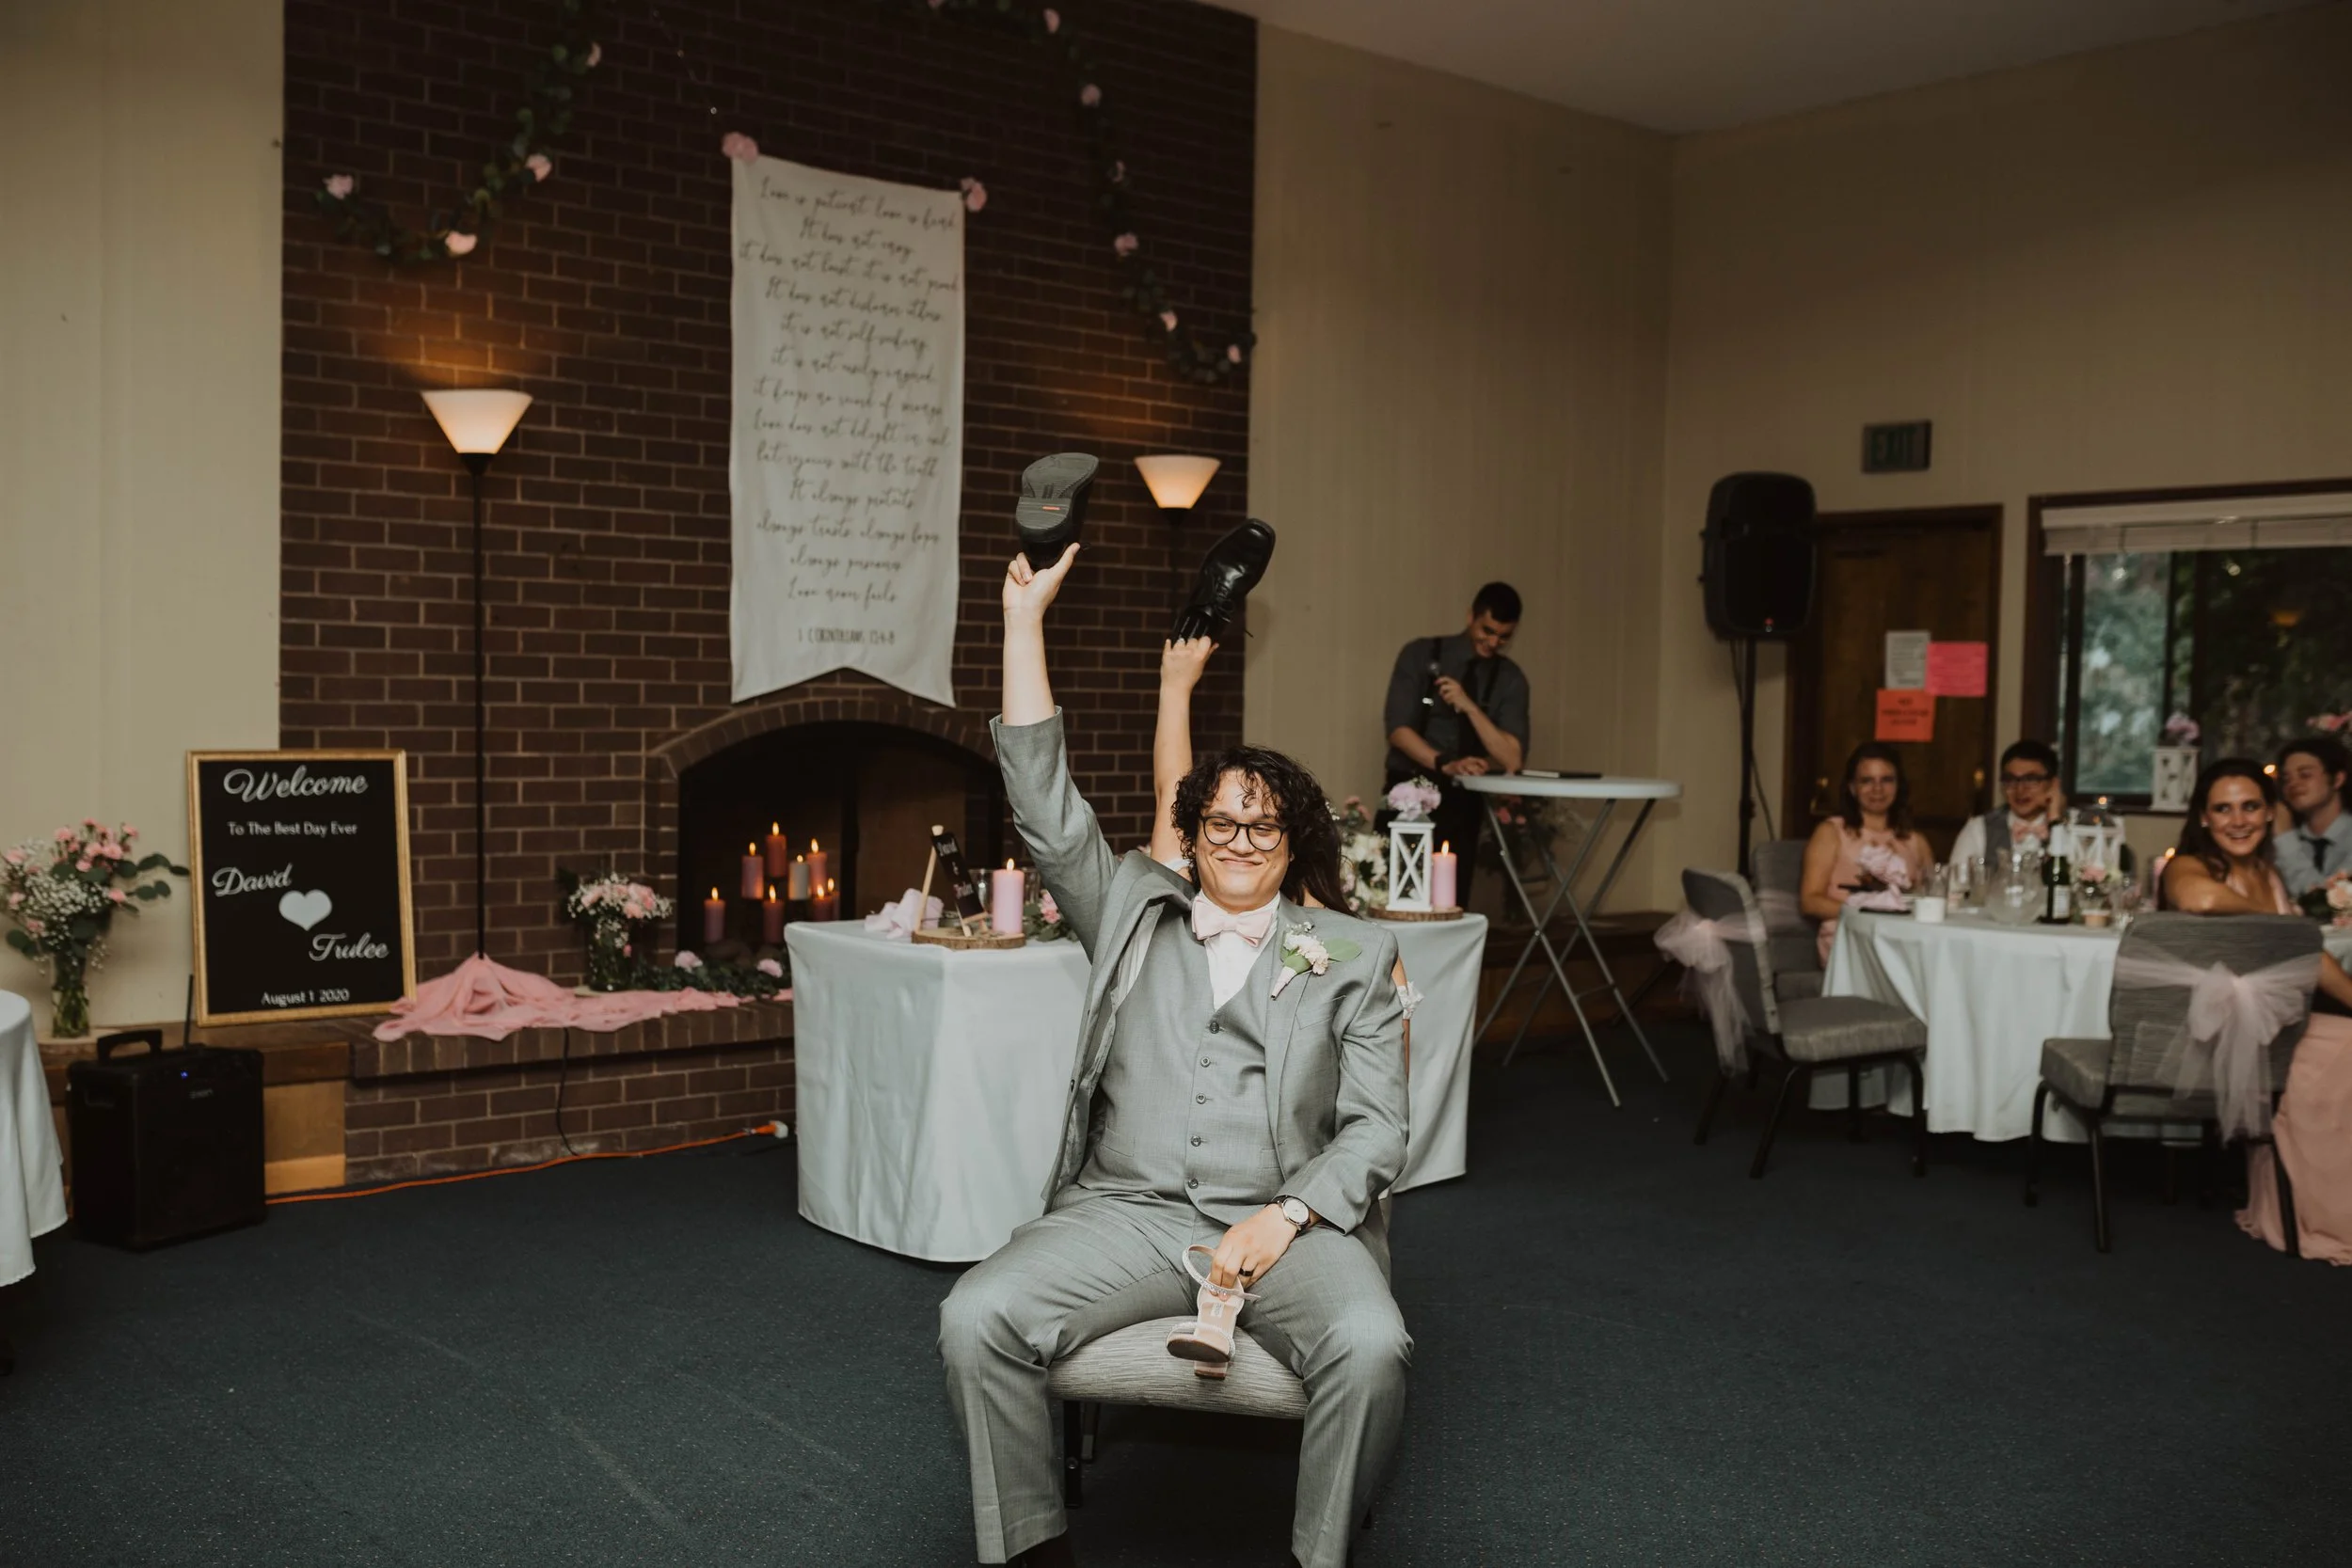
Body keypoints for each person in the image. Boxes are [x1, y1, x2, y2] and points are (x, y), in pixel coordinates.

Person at [940, 545, 1411, 1568]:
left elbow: (1379, 1126)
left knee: (1372, 1347)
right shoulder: (1126, 911)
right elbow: (1040, 796)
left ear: (1293, 842)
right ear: (1190, 837)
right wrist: (1022, 623)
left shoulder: (1354, 954)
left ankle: (1316, 1555)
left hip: (1290, 1221)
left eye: (1264, 824)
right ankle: (1029, 1547)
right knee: (976, 1312)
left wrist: (1288, 1213)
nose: (1241, 838)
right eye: (1220, 822)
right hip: (1128, 1210)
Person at [2158, 758, 2352, 1264]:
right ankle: (2318, 1216)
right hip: (2213, 1032)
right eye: (2223, 809)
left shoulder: (2267, 873)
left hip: (2277, 1027)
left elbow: (2309, 956)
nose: (2238, 820)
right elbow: (2197, 899)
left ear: (2270, 814)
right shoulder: (2192, 865)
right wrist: (2281, 923)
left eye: (2250, 807)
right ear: (2204, 818)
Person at [1380, 582, 1530, 903]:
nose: (1493, 642)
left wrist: (1470, 706)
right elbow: (1397, 729)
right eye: (1486, 630)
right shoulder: (1421, 654)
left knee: (1452, 900)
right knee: (1395, 897)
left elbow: (1512, 759)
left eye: (1504, 636)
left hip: (1464, 802)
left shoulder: (1510, 678)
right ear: (1470, 616)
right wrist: (1444, 762)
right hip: (1411, 791)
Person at [1801, 743, 1936, 966]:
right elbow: (1809, 901)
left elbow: (1929, 898)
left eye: (1886, 780)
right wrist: (1868, 914)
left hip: (1902, 938)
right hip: (1849, 937)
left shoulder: (1916, 841)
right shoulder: (1831, 832)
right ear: (1852, 788)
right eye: (1867, 781)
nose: (1877, 789)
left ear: (1898, 786)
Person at [1947, 738, 2066, 868]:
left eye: (2031, 780)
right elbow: (1956, 884)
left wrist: (2055, 820)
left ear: (2053, 784)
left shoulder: (2071, 830)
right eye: (2011, 780)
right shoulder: (1978, 828)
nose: (2020, 790)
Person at [2272, 736, 2351, 897]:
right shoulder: (2280, 843)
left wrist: (2285, 838)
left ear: (2337, 779)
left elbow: (2326, 903)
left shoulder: (2286, 842)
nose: (2293, 784)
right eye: (2286, 779)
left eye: (2305, 775)